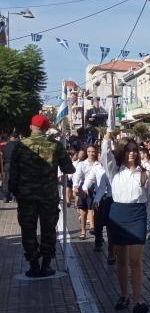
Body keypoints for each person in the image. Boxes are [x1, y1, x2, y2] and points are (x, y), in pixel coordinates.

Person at [8, 116, 75, 277]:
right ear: (46, 128)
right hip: (48, 195)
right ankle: (46, 265)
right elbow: (68, 169)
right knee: (48, 229)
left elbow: (13, 173)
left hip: (26, 196)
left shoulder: (20, 146)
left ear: (31, 127)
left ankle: (33, 266)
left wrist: (13, 192)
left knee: (28, 229)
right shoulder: (55, 145)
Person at [102, 134, 150, 313]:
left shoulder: (144, 173)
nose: (132, 153)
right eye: (128, 150)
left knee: (135, 260)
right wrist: (107, 138)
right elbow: (105, 156)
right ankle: (124, 296)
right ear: (122, 152)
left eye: (134, 150)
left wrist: (146, 219)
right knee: (121, 259)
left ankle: (137, 300)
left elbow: (148, 198)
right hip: (119, 214)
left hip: (137, 215)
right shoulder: (114, 171)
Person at [88, 155, 117, 266]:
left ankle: (117, 248)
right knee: (108, 226)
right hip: (109, 199)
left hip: (122, 202)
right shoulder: (105, 173)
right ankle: (111, 250)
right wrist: (96, 200)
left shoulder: (123, 170)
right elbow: (101, 187)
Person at [72, 145, 99, 240]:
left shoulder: (99, 164)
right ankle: (83, 231)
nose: (91, 153)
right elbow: (77, 175)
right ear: (86, 153)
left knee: (94, 209)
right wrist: (75, 185)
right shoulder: (82, 164)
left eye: (93, 151)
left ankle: (93, 228)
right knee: (83, 212)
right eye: (89, 151)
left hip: (96, 188)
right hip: (84, 188)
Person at [2, 133, 19, 203]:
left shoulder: (6, 145)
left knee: (6, 181)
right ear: (16, 138)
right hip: (16, 164)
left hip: (7, 164)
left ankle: (6, 197)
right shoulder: (18, 145)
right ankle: (15, 197)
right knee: (16, 180)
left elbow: (3, 156)